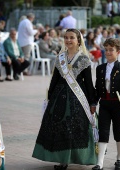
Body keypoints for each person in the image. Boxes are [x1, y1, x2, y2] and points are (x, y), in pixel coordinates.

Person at [32, 28, 97, 169]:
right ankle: (62, 159)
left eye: (72, 37)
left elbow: (89, 83)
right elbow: (54, 80)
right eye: (66, 37)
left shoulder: (84, 59)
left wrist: (92, 102)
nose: (68, 40)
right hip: (58, 98)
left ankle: (75, 157)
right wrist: (49, 98)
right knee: (58, 128)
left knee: (73, 128)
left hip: (77, 99)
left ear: (78, 40)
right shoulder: (60, 57)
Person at [92, 38, 120, 170]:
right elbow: (97, 88)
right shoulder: (100, 68)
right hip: (105, 104)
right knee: (103, 132)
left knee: (118, 131)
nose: (108, 52)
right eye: (106, 50)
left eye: (111, 50)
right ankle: (100, 162)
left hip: (118, 105)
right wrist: (93, 103)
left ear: (118, 52)